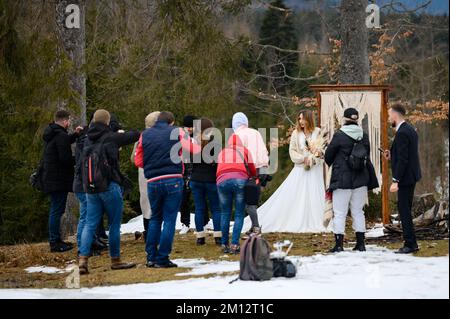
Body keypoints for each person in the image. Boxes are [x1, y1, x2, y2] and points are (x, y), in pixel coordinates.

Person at [244, 110, 329, 233]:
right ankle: (297, 218)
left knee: (314, 193)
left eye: (303, 119)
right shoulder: (296, 133)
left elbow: (322, 150)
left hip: (314, 169)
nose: (301, 121)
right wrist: (303, 159)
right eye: (299, 119)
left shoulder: (318, 132)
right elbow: (292, 151)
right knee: (296, 195)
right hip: (301, 168)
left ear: (309, 119)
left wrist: (314, 158)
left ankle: (317, 219)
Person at [134, 111, 201, 268]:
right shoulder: (177, 131)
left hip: (153, 181)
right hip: (173, 179)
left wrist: (153, 166)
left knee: (155, 218)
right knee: (169, 219)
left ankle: (151, 257)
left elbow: (138, 160)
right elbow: (195, 150)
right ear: (171, 122)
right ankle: (163, 257)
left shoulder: (145, 134)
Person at [78, 110, 140, 274]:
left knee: (90, 223)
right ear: (107, 122)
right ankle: (115, 260)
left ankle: (82, 260)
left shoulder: (86, 139)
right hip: (109, 185)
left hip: (90, 188)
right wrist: (120, 133)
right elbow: (135, 135)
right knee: (113, 225)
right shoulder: (111, 137)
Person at [324, 107, 379, 253]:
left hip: (342, 180)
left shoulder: (339, 135)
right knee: (358, 211)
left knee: (340, 212)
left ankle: (339, 245)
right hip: (361, 178)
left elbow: (328, 156)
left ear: (345, 119)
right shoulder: (364, 135)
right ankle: (361, 244)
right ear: (356, 120)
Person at [42, 110, 82, 252]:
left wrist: (75, 135)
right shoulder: (61, 136)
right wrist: (78, 159)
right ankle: (54, 242)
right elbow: (65, 159)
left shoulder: (53, 133)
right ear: (65, 121)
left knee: (56, 209)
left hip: (51, 178)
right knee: (56, 211)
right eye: (69, 121)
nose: (69, 123)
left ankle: (56, 240)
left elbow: (62, 141)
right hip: (58, 179)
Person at [384, 103, 422, 254]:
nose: (388, 119)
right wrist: (391, 155)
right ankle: (412, 242)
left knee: (404, 210)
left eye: (388, 115)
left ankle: (410, 244)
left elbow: (404, 160)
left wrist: (396, 180)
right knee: (405, 209)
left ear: (394, 114)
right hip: (411, 176)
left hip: (405, 178)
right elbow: (404, 155)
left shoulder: (402, 133)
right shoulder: (409, 129)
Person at [217, 133, 257, 254]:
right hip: (240, 180)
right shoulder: (244, 150)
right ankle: (234, 244)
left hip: (222, 181)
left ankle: (224, 244)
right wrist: (254, 177)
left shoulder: (222, 151)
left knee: (225, 213)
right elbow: (252, 168)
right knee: (239, 214)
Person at [231, 112, 269, 235]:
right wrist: (264, 168)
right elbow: (263, 151)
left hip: (244, 170)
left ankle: (256, 227)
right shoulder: (256, 133)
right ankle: (254, 226)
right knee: (253, 199)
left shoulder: (236, 135)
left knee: (245, 201)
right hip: (258, 169)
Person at [190, 118, 222, 246]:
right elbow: (218, 162)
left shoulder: (193, 142)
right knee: (216, 208)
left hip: (196, 179)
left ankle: (200, 237)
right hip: (211, 179)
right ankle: (218, 236)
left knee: (199, 208)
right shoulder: (215, 142)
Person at [130, 111, 160, 242]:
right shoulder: (162, 137)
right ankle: (155, 236)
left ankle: (148, 234)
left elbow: (133, 158)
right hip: (157, 174)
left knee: (146, 205)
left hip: (143, 174)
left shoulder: (141, 138)